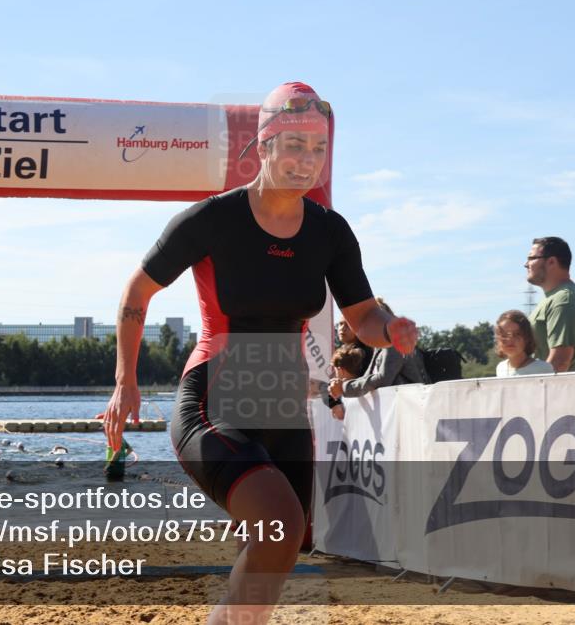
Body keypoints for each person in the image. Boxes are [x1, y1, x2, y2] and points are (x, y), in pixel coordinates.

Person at [102, 81, 419, 625]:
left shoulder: (330, 231)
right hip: (216, 394)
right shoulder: (212, 218)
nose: (307, 161)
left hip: (280, 403)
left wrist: (391, 329)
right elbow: (138, 291)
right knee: (280, 525)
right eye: (295, 145)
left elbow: (362, 316)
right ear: (265, 145)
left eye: (318, 149)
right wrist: (125, 381)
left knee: (289, 538)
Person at [329, 298, 431, 401]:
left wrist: (344, 387)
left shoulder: (394, 343)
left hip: (411, 409)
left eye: (365, 323)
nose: (362, 328)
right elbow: (368, 377)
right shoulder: (380, 346)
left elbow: (383, 379)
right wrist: (344, 385)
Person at [525, 236, 575, 372]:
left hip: (556, 392)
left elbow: (560, 362)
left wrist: (534, 391)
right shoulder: (556, 298)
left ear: (551, 262)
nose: (526, 264)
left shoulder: (564, 301)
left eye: (531, 258)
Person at [494, 310, 555, 377]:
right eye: (504, 335)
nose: (510, 339)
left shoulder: (543, 368)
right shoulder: (500, 368)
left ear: (527, 338)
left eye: (517, 334)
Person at [326, 345, 366, 420]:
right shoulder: (366, 385)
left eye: (335, 370)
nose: (334, 374)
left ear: (340, 370)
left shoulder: (338, 389)